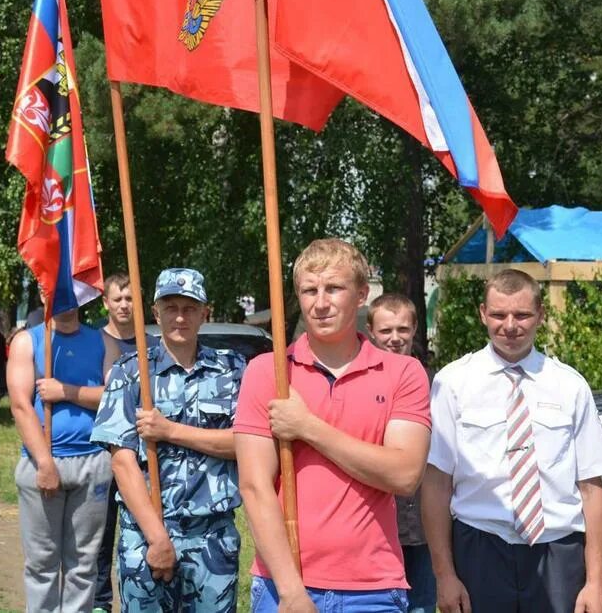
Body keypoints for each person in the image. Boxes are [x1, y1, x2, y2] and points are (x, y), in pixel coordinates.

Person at [234, 238, 431, 613]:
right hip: (283, 587)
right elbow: (254, 486)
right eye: (309, 290)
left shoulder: (402, 372)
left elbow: (404, 474)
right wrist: (292, 592)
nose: (320, 302)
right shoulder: (269, 372)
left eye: (334, 288)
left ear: (361, 295)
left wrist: (308, 427)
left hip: (374, 589)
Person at [421, 269, 602, 613]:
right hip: (479, 548)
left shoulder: (570, 386)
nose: (510, 325)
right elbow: (437, 484)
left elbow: (592, 487)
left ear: (541, 314)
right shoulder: (453, 383)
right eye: (498, 314)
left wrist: (596, 582)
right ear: (482, 313)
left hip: (557, 550)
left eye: (522, 314)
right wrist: (444, 575)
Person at [91, 267, 247, 612]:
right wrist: (157, 536)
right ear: (155, 311)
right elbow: (122, 460)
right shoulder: (130, 372)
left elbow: (245, 444)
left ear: (205, 312)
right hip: (146, 535)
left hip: (212, 538)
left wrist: (170, 431)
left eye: (189, 308)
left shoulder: (233, 371)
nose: (180, 317)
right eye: (171, 307)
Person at [7, 301, 120, 612]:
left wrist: (66, 391)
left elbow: (114, 397)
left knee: (83, 565)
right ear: (45, 294)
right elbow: (20, 405)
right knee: (42, 564)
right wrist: (44, 462)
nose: (65, 297)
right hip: (42, 464)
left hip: (93, 463)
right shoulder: (28, 341)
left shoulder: (103, 341)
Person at [367, 293, 436, 613]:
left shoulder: (438, 386)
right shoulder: (360, 384)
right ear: (370, 331)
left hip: (425, 525)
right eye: (386, 331)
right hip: (376, 527)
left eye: (403, 330)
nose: (395, 339)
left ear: (415, 330)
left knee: (421, 605)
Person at [93, 271, 150, 613]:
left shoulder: (151, 345)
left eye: (130, 298)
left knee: (138, 526)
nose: (125, 305)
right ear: (106, 303)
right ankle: (101, 601)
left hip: (141, 455)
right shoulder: (95, 342)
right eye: (118, 299)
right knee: (100, 531)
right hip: (102, 451)